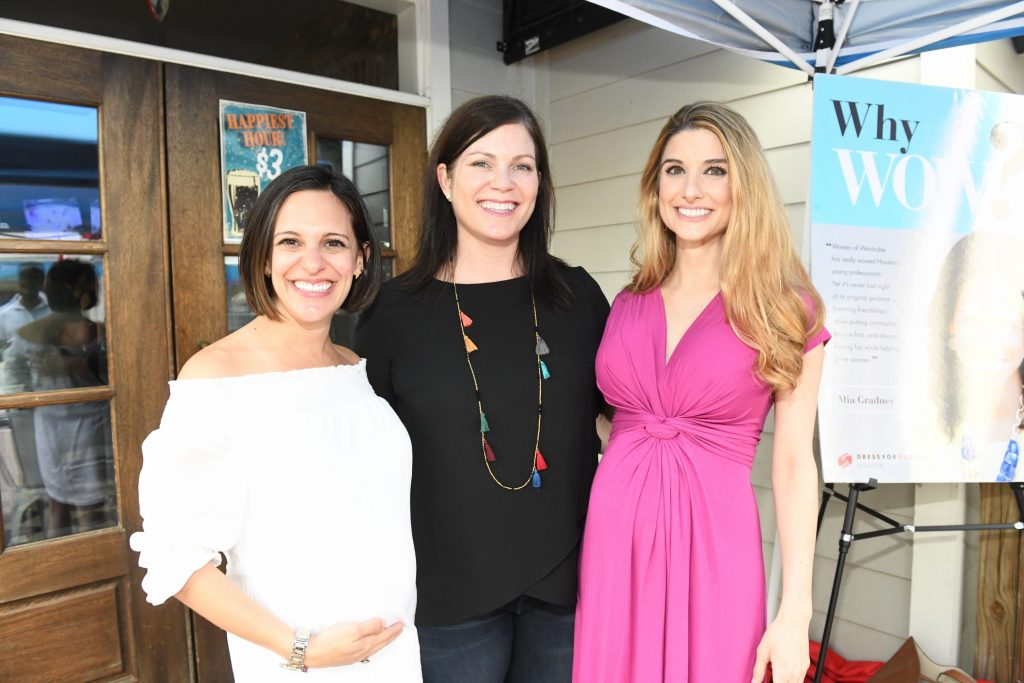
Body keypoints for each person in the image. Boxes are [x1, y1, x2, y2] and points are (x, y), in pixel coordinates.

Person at [130, 165, 421, 681]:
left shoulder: (350, 366)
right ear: (264, 258)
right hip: (303, 663)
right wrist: (301, 649)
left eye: (333, 242)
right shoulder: (218, 377)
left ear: (360, 260)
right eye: (290, 241)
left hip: (394, 652)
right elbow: (177, 557)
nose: (313, 262)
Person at [355, 95, 609, 683]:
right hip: (448, 599)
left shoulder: (578, 296)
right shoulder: (393, 311)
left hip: (569, 589)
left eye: (522, 165)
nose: (504, 182)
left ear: (539, 182)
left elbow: (620, 421)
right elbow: (364, 458)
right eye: (481, 162)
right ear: (444, 179)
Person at [573, 102, 829, 683]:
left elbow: (792, 465)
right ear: (654, 185)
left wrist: (795, 612)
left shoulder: (787, 310)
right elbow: (616, 422)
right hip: (615, 547)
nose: (692, 189)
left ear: (745, 185)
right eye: (674, 170)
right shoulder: (627, 304)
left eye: (715, 170)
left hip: (715, 550)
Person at [5, 259, 111, 538]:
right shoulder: (97, 331)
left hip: (49, 422)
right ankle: (90, 568)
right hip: (88, 428)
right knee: (90, 508)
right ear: (76, 289)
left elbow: (13, 371)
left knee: (58, 503)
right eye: (91, 285)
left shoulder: (31, 332)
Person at [928, 229, 1024, 481]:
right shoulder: (924, 430)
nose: (989, 339)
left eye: (1007, 322)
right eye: (974, 319)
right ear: (950, 323)